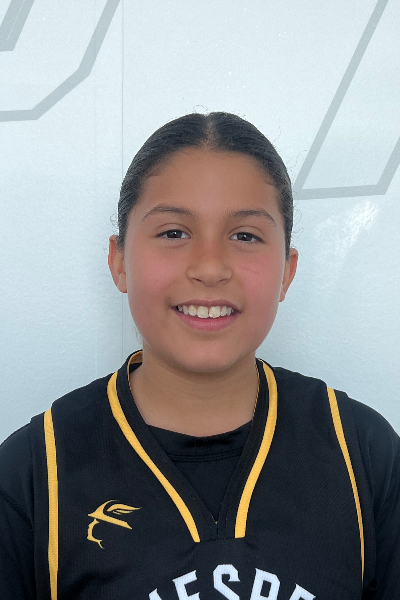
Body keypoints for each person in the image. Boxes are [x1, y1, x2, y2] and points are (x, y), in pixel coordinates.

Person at [0, 112, 399, 600]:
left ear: (287, 271)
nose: (210, 268)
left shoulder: (364, 455)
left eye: (245, 235)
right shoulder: (34, 475)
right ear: (119, 260)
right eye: (174, 233)